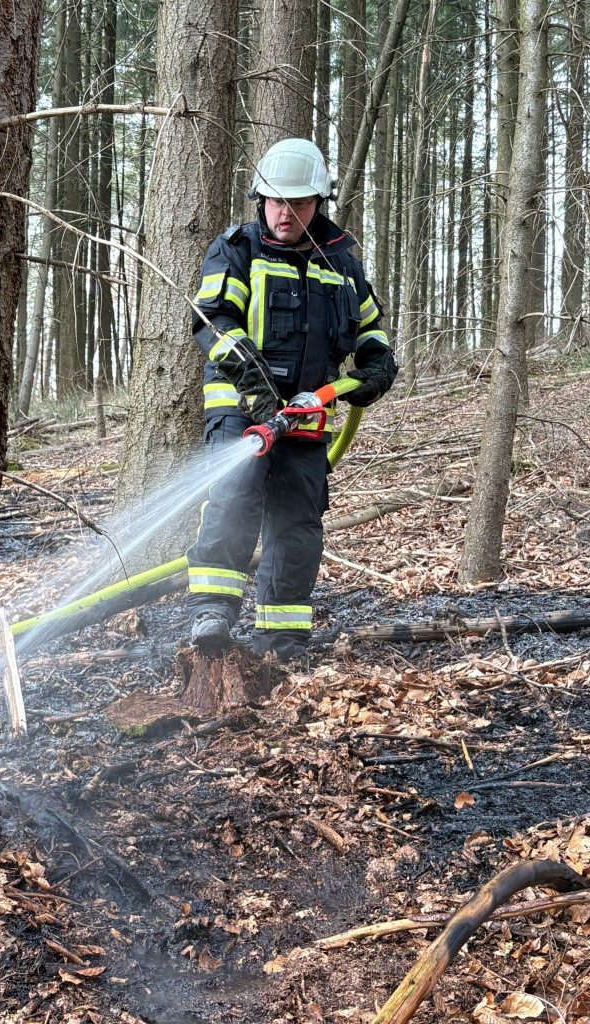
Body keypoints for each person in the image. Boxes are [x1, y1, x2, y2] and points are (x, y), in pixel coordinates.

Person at [186, 138, 398, 660]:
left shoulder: (344, 265)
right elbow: (213, 321)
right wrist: (255, 384)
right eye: (275, 201)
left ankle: (281, 637)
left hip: (308, 414)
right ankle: (212, 613)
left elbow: (372, 334)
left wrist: (376, 368)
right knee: (234, 498)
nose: (284, 213)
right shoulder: (237, 249)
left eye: (298, 203)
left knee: (297, 520)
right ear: (261, 199)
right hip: (242, 409)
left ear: (318, 202)